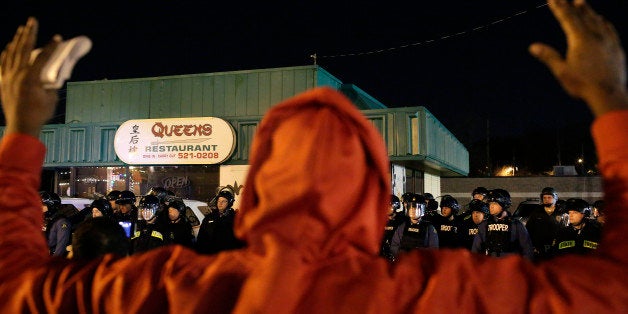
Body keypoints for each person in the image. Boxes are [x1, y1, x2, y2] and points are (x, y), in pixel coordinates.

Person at [1, 0, 628, 310]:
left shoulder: (176, 289)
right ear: (373, 193)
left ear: (259, 188)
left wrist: (23, 131)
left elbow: (19, 286)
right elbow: (611, 288)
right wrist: (611, 103)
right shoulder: (422, 295)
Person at [471, 189, 535, 259]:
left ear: (504, 204)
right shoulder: (484, 225)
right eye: (490, 204)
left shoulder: (516, 225)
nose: (491, 206)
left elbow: (527, 250)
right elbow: (475, 250)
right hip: (490, 265)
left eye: (494, 203)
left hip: (510, 266)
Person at [389, 193, 439, 258]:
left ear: (422, 209)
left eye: (415, 208)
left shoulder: (429, 228)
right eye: (411, 208)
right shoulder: (402, 226)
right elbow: (394, 246)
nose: (412, 211)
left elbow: (433, 249)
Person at [195, 190, 244, 254]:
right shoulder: (209, 217)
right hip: (210, 256)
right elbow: (201, 238)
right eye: (219, 201)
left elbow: (240, 241)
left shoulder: (235, 219)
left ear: (229, 203)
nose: (220, 203)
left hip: (227, 257)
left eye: (223, 201)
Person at [525, 187, 565, 261]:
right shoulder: (537, 212)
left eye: (549, 197)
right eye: (544, 197)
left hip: (557, 249)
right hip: (540, 250)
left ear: (555, 198)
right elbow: (529, 230)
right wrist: (532, 247)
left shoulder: (561, 212)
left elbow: (566, 230)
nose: (546, 200)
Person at [40, 191, 72, 257]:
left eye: (43, 205)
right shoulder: (45, 219)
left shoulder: (61, 222)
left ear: (51, 206)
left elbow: (61, 246)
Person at [379, 194, 405, 261]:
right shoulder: (380, 220)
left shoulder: (402, 220)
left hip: (398, 254)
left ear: (396, 206)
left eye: (389, 206)